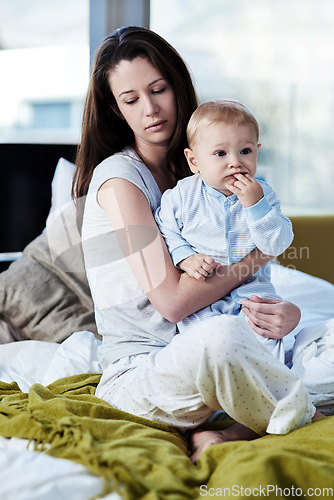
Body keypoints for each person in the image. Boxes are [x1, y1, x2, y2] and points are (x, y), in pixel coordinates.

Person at [73, 26, 324, 465]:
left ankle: (249, 415)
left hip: (215, 347)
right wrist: (259, 256)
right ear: (117, 111)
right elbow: (172, 303)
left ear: (177, 86)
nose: (150, 109)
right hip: (147, 369)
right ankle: (294, 414)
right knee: (221, 337)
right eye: (131, 100)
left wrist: (289, 315)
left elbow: (253, 261)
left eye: (158, 89)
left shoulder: (198, 172)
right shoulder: (119, 180)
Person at [155, 99, 292, 362]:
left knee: (266, 348)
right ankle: (221, 394)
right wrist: (185, 257)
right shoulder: (181, 197)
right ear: (194, 161)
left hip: (253, 297)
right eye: (221, 154)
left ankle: (270, 389)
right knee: (205, 351)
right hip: (203, 300)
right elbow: (166, 230)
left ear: (257, 151)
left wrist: (256, 207)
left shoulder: (264, 195)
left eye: (245, 151)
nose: (235, 162)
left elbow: (277, 244)